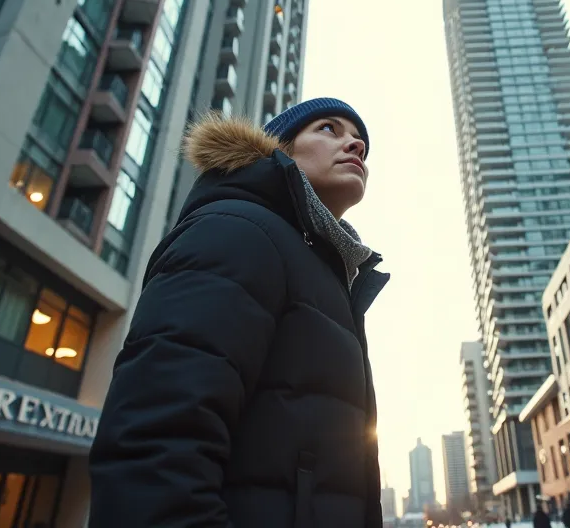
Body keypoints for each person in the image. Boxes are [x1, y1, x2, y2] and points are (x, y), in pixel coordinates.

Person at [88, 99, 389, 527]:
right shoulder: (238, 230)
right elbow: (155, 451)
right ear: (278, 149)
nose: (356, 143)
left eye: (361, 141)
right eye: (329, 129)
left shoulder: (324, 274)